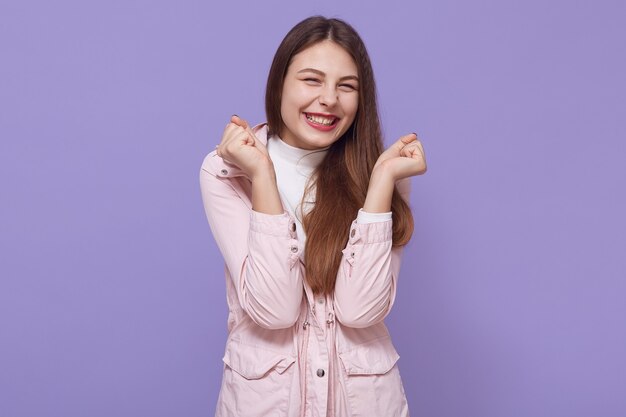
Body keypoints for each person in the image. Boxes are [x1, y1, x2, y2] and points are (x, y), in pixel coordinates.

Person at [200, 15, 426, 417]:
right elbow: (274, 310)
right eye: (311, 80)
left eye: (347, 86)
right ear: (279, 83)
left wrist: (382, 182)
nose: (329, 99)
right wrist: (262, 174)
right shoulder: (226, 171)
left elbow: (360, 310)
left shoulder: (384, 174)